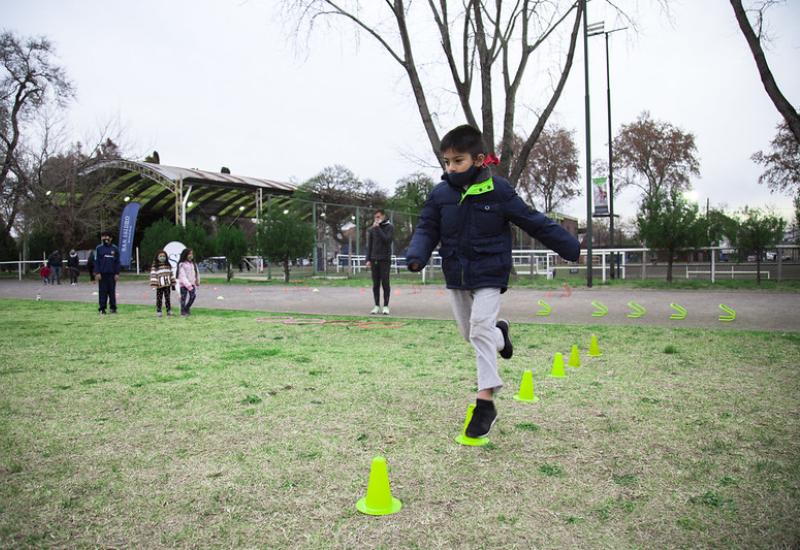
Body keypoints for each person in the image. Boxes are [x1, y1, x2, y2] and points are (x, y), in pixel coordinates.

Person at [405, 124, 580, 438]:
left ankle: (485, 404)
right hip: (456, 274)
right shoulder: (441, 194)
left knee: (478, 329)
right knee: (471, 333)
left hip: (489, 272)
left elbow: (532, 220)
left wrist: (568, 245)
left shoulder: (498, 190)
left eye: (458, 161)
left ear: (478, 159)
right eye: (447, 162)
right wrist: (417, 254)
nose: (451, 167)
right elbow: (426, 228)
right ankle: (501, 335)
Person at [365, 209, 394, 315]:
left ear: (383, 216)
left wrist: (378, 229)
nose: (376, 219)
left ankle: (386, 306)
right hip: (374, 259)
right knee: (375, 284)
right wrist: (368, 259)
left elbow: (387, 240)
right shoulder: (372, 229)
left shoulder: (389, 227)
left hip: (385, 259)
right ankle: (376, 305)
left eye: (378, 217)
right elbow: (370, 245)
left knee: (385, 283)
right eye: (375, 217)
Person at [94, 231, 120, 314]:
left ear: (111, 238)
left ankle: (113, 308)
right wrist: (97, 272)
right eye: (104, 237)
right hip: (102, 274)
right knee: (102, 291)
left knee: (112, 291)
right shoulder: (99, 248)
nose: (105, 238)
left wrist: (117, 273)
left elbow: (117, 262)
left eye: (107, 237)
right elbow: (96, 261)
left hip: (112, 274)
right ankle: (102, 308)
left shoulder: (115, 249)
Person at [150, 250, 176, 317]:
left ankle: (169, 310)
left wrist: (173, 284)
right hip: (159, 286)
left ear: (166, 257)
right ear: (157, 257)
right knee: (159, 299)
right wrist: (154, 285)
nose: (162, 257)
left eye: (164, 256)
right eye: (160, 256)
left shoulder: (168, 265)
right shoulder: (155, 266)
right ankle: (159, 311)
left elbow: (171, 275)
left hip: (167, 285)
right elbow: (153, 275)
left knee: (168, 298)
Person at [176, 248, 199, 316]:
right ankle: (183, 312)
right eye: (189, 254)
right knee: (183, 299)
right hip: (184, 285)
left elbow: (196, 273)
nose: (191, 255)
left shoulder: (193, 264)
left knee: (193, 297)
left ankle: (186, 308)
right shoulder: (182, 264)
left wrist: (197, 281)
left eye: (192, 254)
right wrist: (189, 286)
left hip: (192, 284)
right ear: (185, 255)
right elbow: (182, 277)